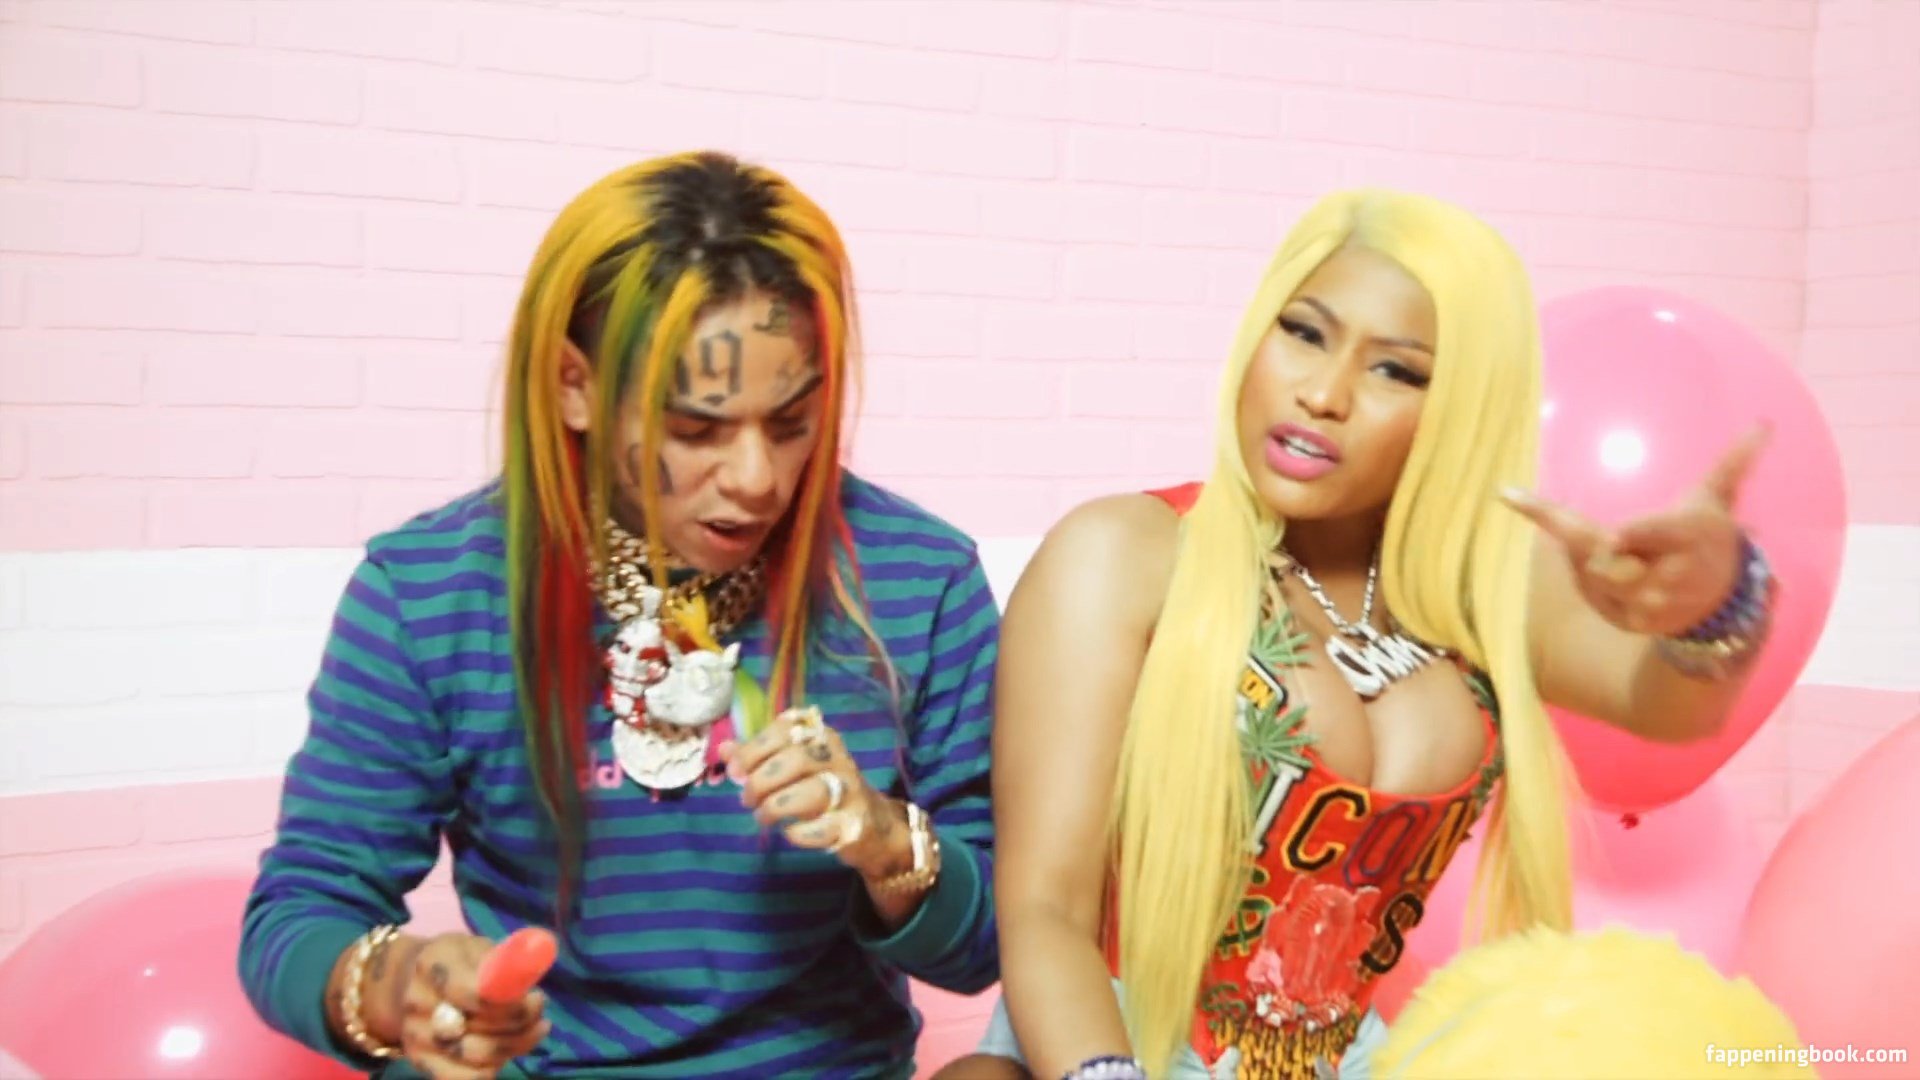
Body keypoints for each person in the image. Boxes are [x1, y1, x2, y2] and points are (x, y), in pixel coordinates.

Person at [957, 190, 1776, 1080]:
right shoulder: (1124, 554)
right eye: (1304, 332)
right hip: (1104, 1051)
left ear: (1460, 408)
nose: (1322, 394)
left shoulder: (1480, 591)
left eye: (1396, 371)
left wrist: (1716, 605)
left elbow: (1668, 707)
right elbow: (1044, 911)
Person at [239, 151, 1002, 1080]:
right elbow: (301, 912)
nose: (757, 478)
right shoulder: (431, 592)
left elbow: (996, 943)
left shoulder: (918, 577)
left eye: (792, 422)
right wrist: (399, 984)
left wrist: (886, 842)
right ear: (573, 385)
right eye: (696, 427)